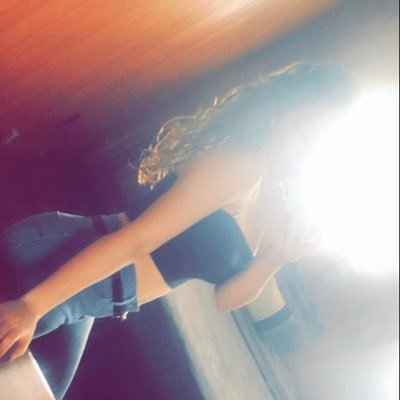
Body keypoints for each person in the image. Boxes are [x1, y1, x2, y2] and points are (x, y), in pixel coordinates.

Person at [0, 62, 357, 399]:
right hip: (65, 251)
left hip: (95, 296)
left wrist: (278, 258)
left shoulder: (271, 192)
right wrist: (31, 306)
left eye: (321, 143)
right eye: (306, 133)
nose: (307, 151)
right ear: (279, 111)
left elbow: (226, 298)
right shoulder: (240, 165)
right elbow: (137, 241)